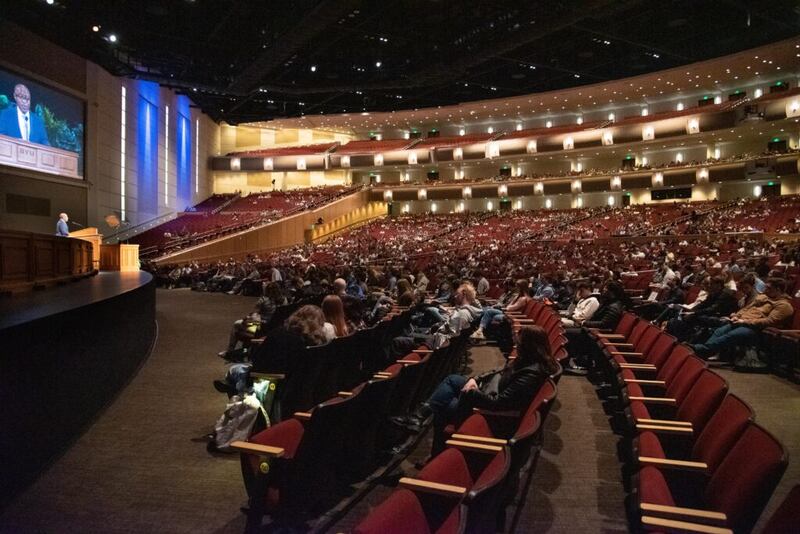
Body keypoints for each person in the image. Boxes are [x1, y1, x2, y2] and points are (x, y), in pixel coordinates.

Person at [402, 325, 557, 457]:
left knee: (443, 406)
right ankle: (421, 415)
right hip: (491, 390)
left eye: (519, 340)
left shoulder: (531, 373)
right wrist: (474, 379)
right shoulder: (526, 360)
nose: (516, 343)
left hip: (492, 414)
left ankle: (436, 452)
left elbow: (500, 403)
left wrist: (473, 392)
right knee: (453, 379)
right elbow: (499, 371)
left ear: (529, 345)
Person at [690, 278, 794, 362]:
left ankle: (701, 350)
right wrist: (736, 316)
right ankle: (704, 351)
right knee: (719, 331)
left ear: (778, 289)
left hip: (755, 328)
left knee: (730, 335)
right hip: (740, 322)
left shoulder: (784, 305)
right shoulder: (763, 297)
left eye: (769, 288)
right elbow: (747, 308)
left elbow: (769, 321)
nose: (765, 290)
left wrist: (744, 322)